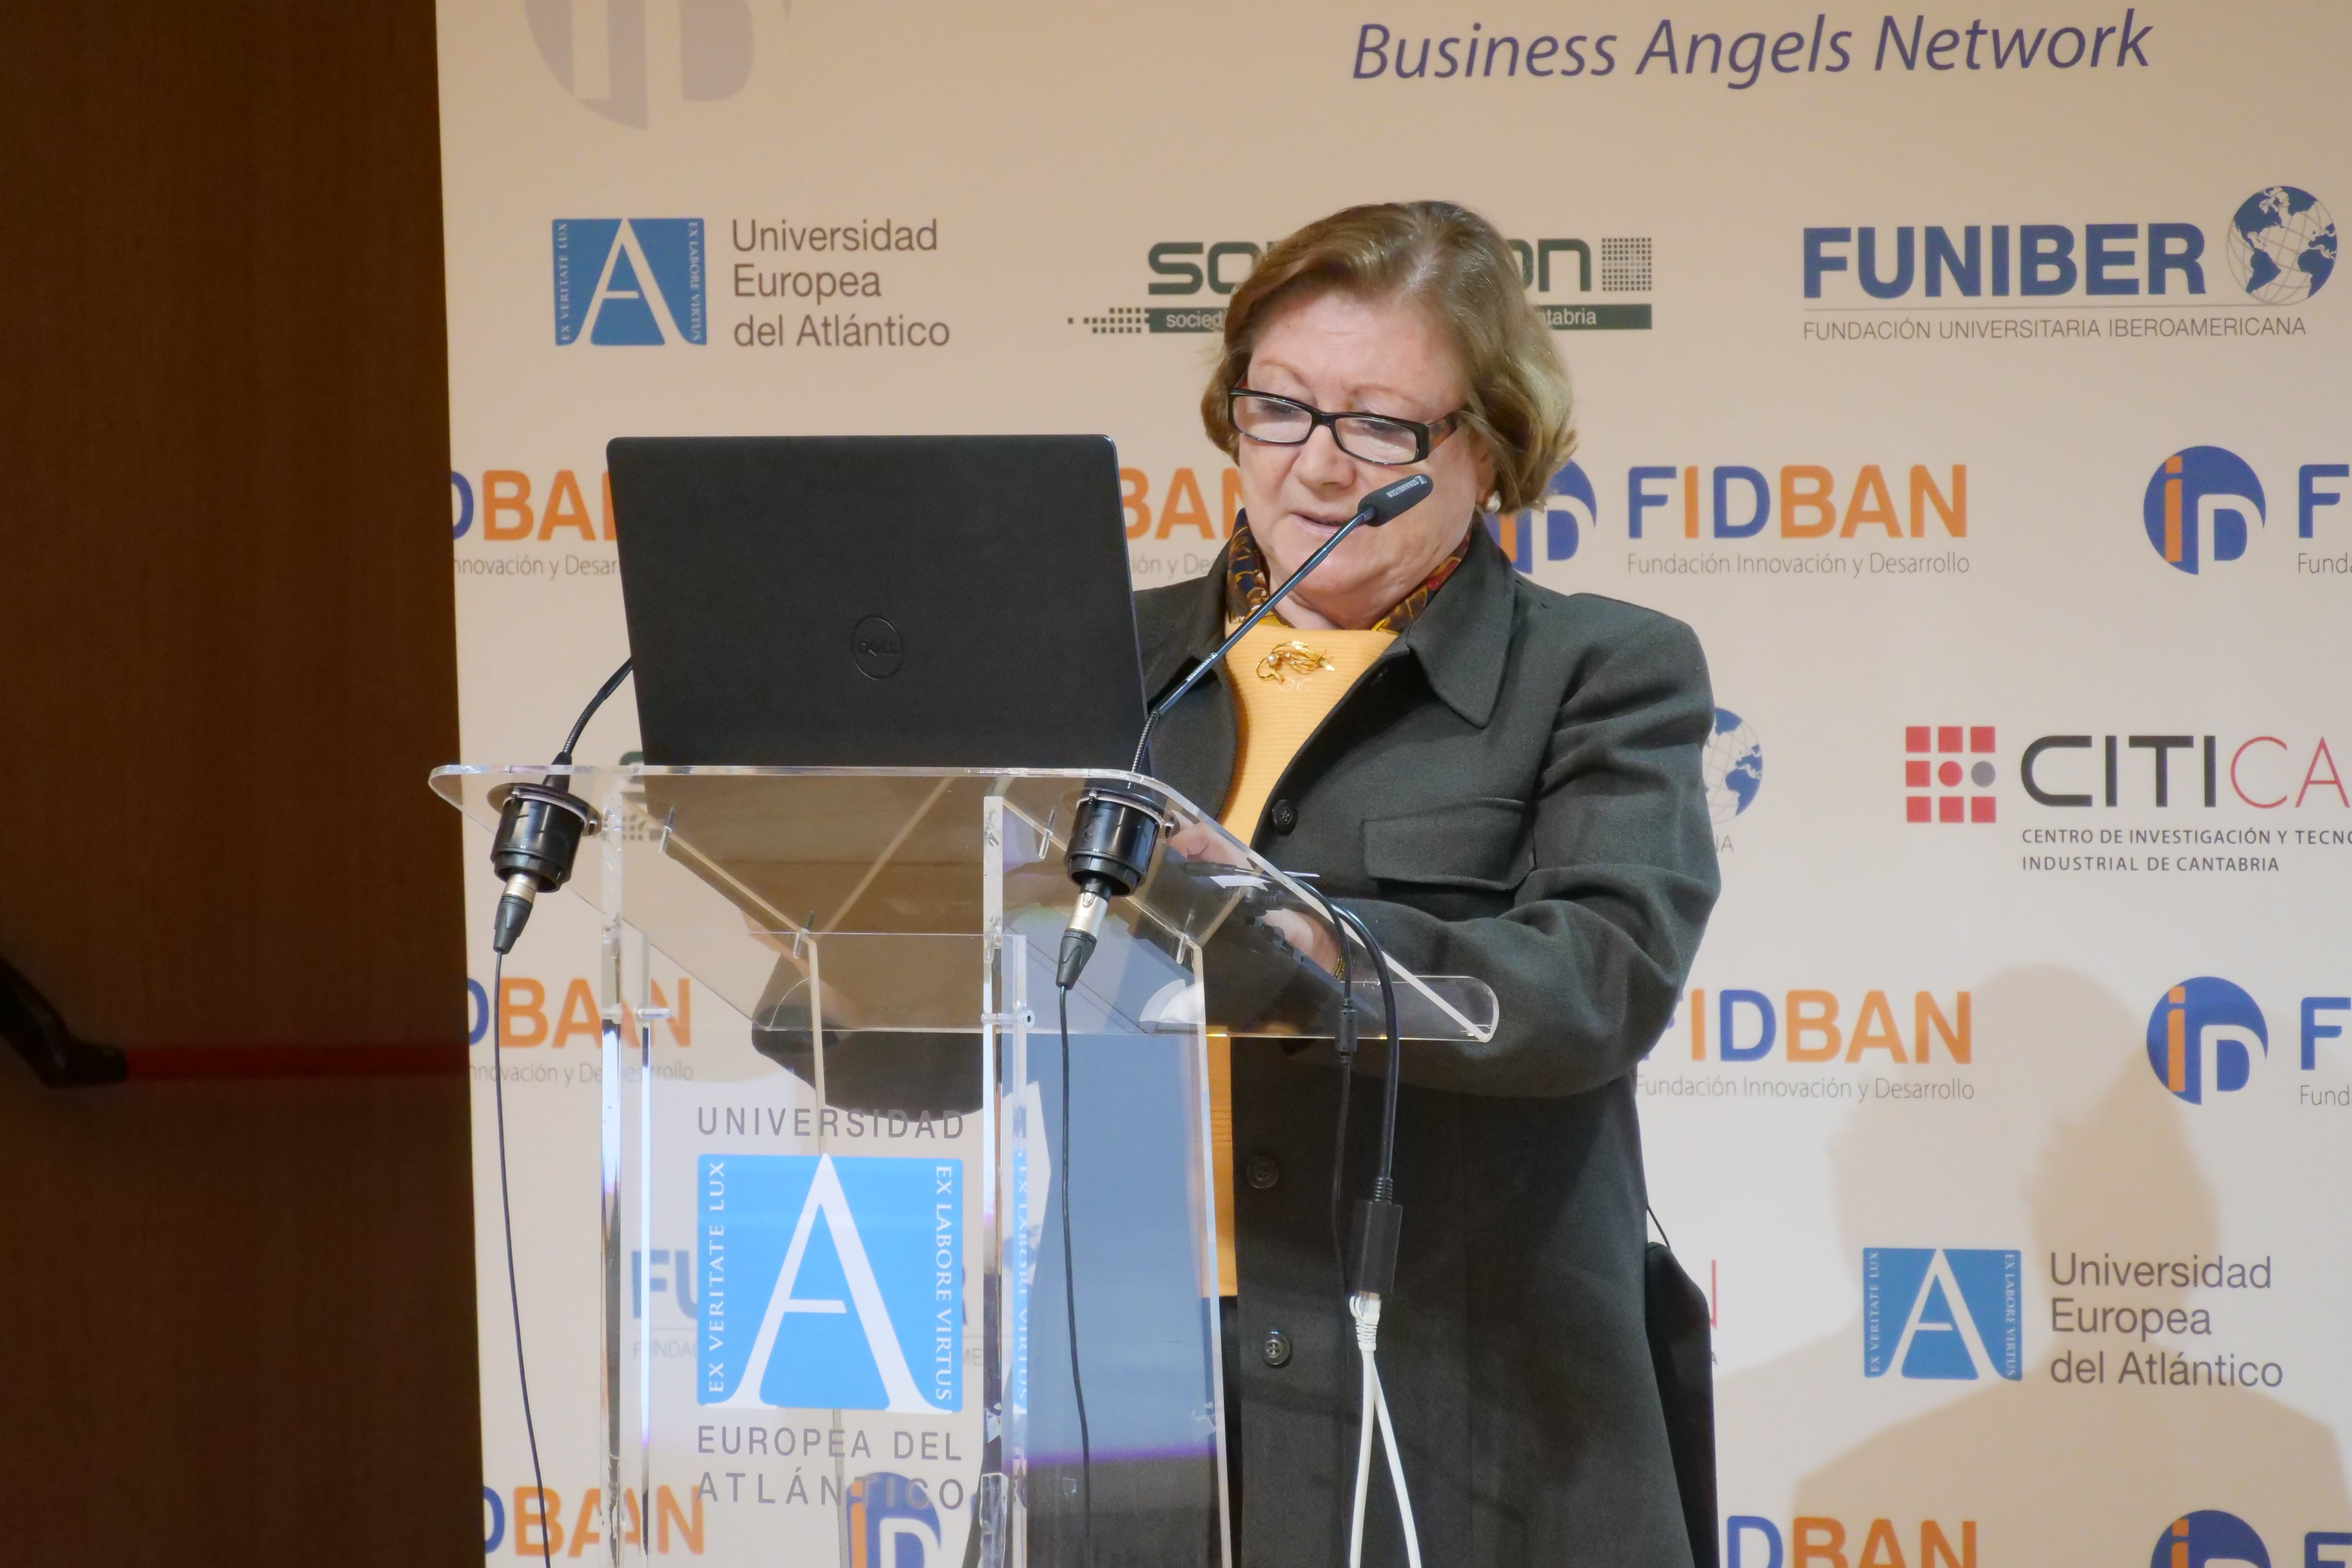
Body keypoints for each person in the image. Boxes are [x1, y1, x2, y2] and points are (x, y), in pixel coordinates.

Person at [1133, 200, 1721, 1567]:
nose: (1320, 469)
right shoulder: (1104, 661)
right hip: (1132, 1394)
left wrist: (1306, 939)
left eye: (1382, 426)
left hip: (1462, 1400)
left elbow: (1598, 977)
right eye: (1278, 409)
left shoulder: (1601, 671)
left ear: (1493, 446)